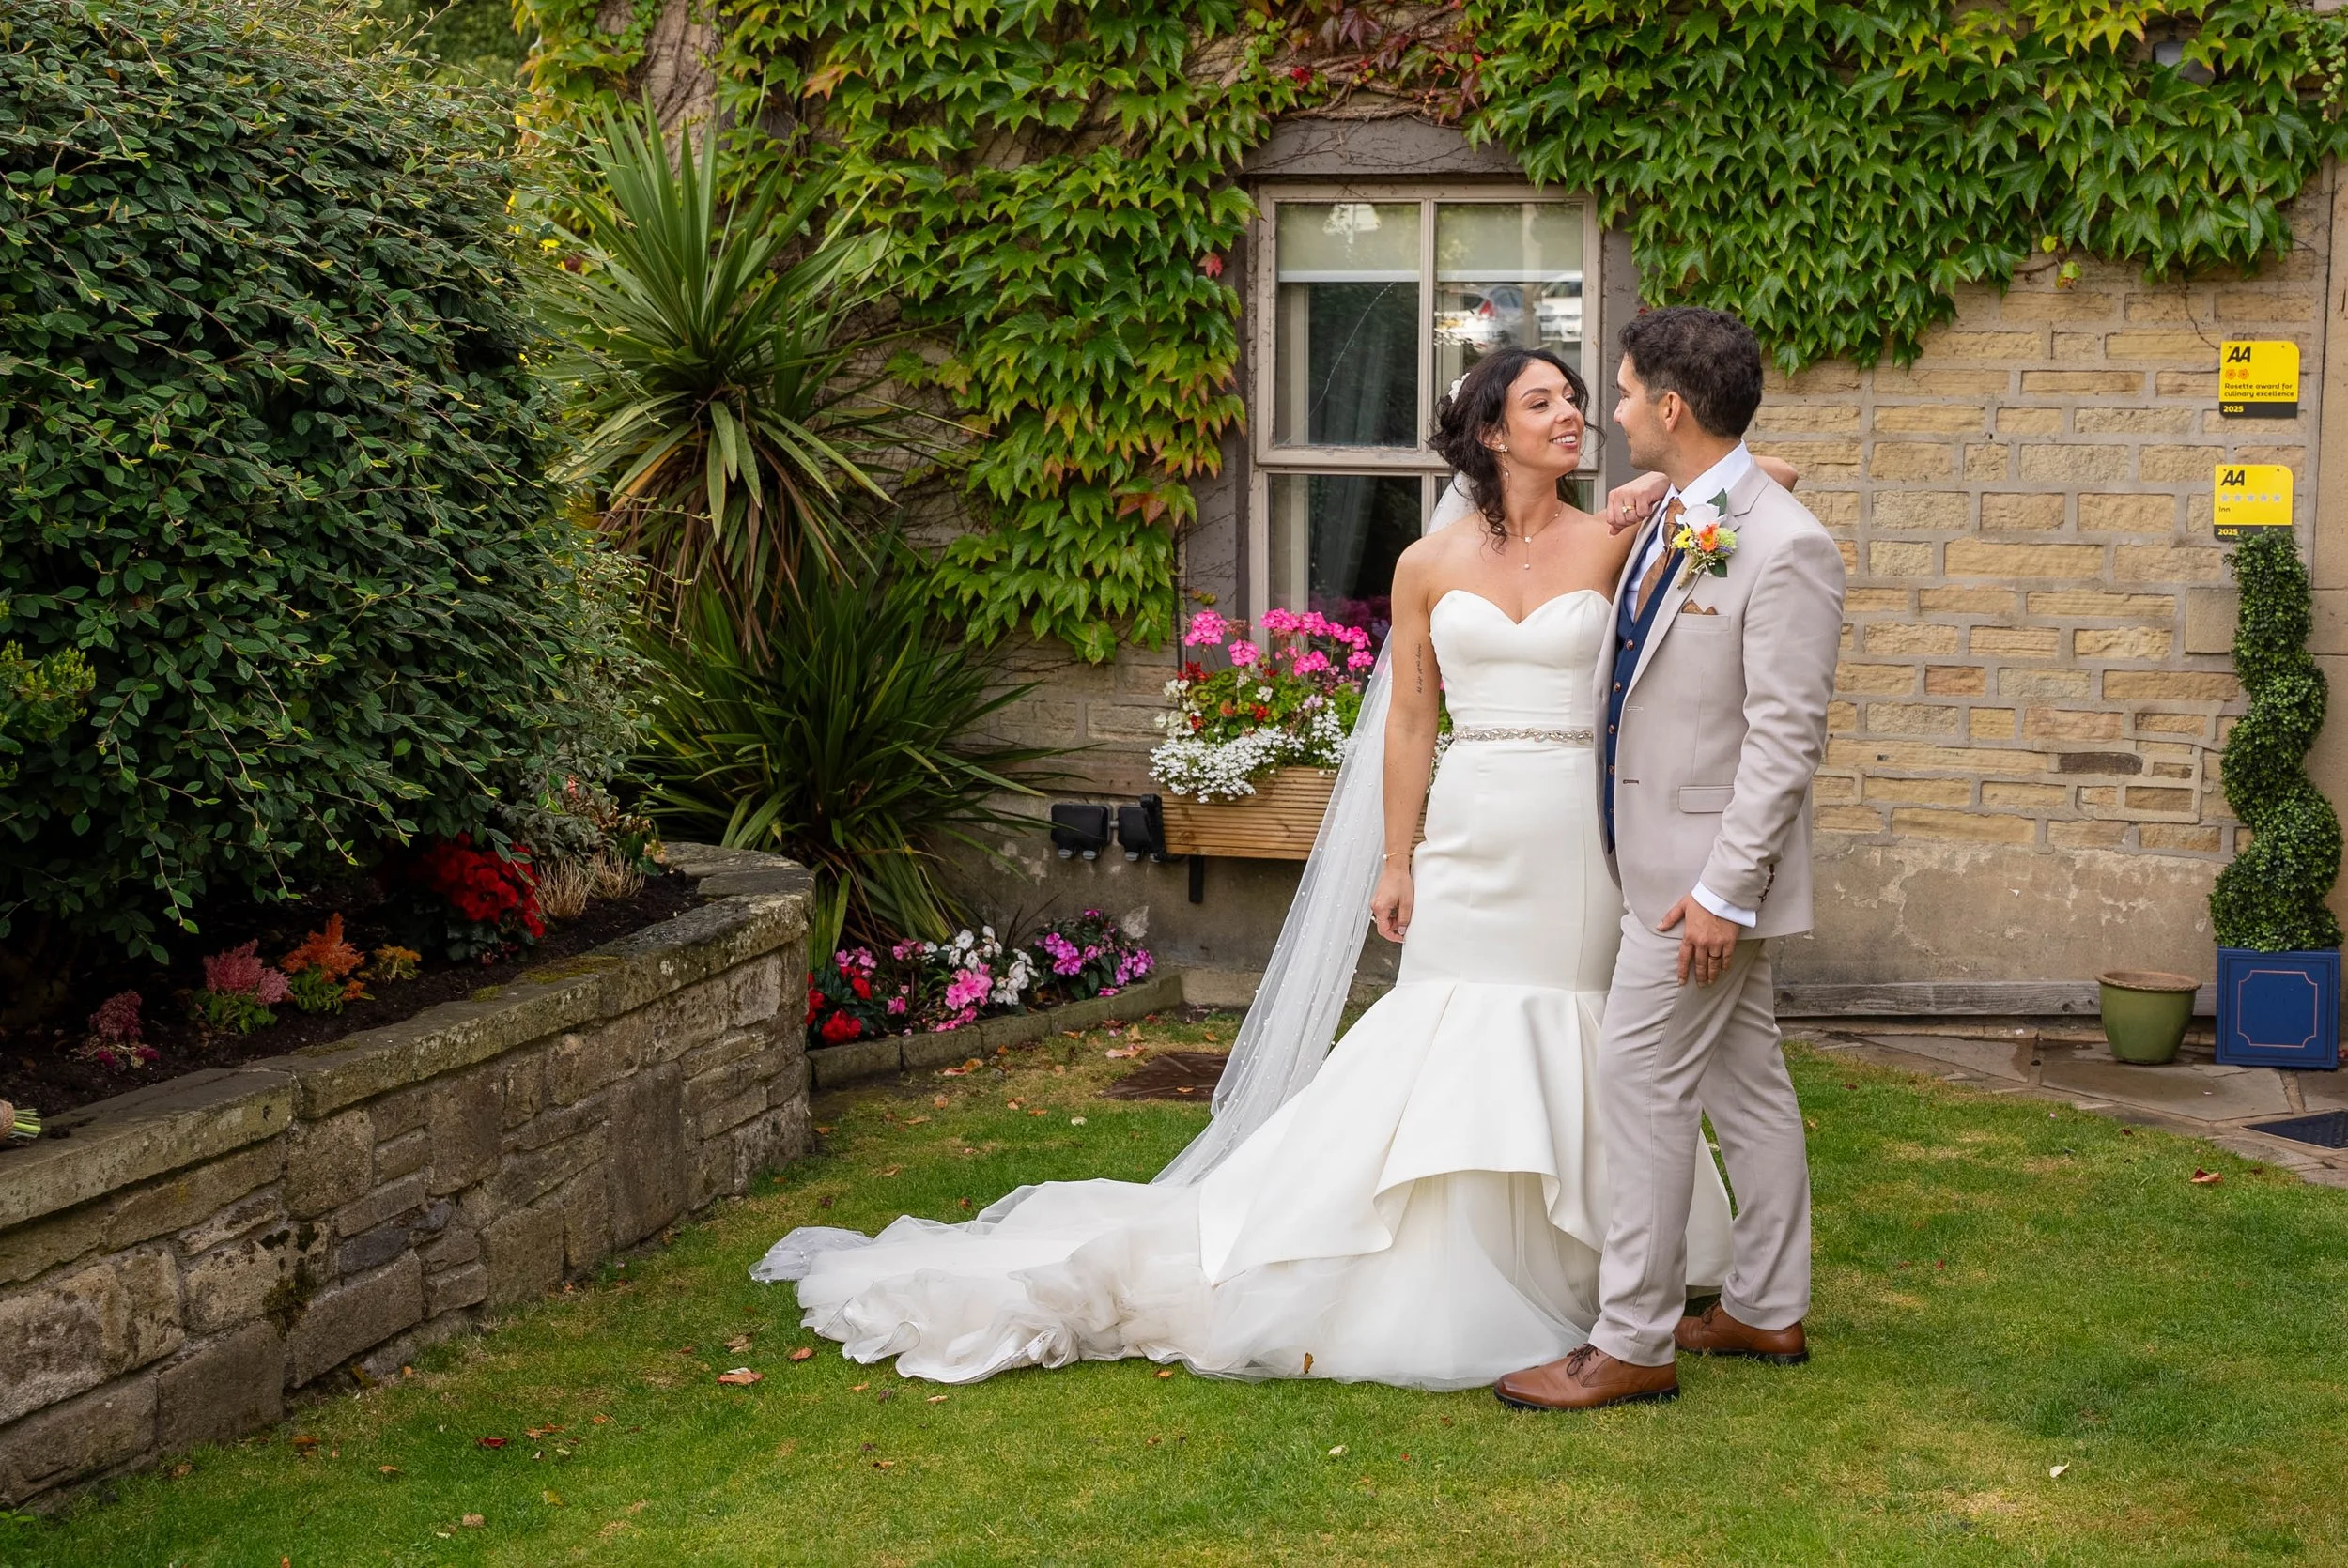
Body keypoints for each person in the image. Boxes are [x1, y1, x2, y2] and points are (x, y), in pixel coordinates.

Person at [749, 329, 1805, 1392]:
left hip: (1583, 834)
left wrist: (1640, 502)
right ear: (1490, 432)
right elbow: (1406, 725)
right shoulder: (1425, 564)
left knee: (1581, 1028)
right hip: (1475, 821)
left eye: (1581, 398)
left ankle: (1593, 1267)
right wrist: (1397, 859)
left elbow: (1760, 485)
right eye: (1544, 403)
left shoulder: (1621, 537)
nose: (1574, 414)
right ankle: (1427, 1259)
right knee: (1447, 1025)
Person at [1492, 307, 1845, 1412]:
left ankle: (1632, 1338)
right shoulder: (1686, 509)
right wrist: (1656, 497)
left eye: (1629, 392)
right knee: (1746, 1083)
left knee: (1641, 1082)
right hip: (1662, 863)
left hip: (1699, 887)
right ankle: (1764, 1303)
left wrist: (1721, 892)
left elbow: (1787, 739)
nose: (1615, 413)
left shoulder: (1784, 544)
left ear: (1674, 406)